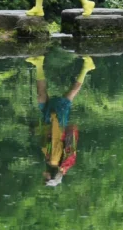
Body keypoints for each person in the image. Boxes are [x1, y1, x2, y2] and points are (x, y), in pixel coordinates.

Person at [28, 53, 94, 185]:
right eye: (46, 177)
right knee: (68, 97)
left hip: (51, 123)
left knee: (42, 96)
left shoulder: (50, 160)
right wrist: (51, 121)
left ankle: (39, 64)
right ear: (51, 175)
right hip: (56, 122)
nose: (44, 175)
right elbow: (56, 138)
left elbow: (48, 140)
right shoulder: (53, 159)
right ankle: (87, 67)